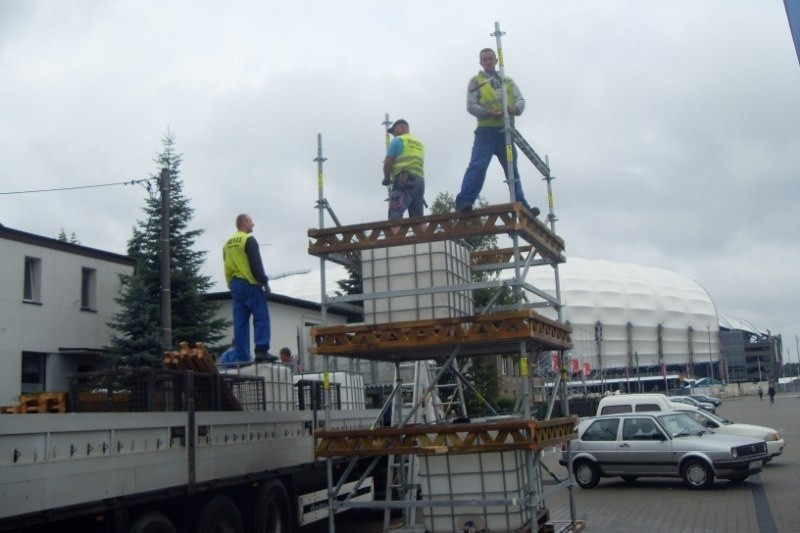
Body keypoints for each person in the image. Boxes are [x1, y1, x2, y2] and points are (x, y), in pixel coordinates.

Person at [455, 48, 540, 216]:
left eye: (490, 58)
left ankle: (521, 204)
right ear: (480, 62)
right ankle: (464, 201)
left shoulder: (507, 81)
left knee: (511, 169)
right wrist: (488, 113)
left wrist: (515, 109)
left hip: (505, 134)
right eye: (484, 59)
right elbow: (470, 106)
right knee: (478, 166)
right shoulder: (476, 81)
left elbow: (520, 99)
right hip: (486, 132)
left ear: (495, 60)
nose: (487, 61)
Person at [223, 214, 277, 362]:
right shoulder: (248, 240)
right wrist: (264, 282)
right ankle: (261, 350)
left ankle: (242, 356)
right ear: (245, 222)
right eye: (251, 221)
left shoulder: (227, 243)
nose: (253, 224)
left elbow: (225, 263)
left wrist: (231, 284)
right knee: (261, 317)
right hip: (250, 283)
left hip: (234, 285)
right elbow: (256, 264)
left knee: (240, 322)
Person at [382, 119, 425, 219]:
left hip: (404, 179)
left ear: (400, 128)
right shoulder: (419, 144)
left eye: (394, 131)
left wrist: (386, 178)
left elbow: (387, 163)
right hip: (420, 182)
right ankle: (426, 234)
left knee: (395, 214)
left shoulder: (398, 140)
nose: (393, 134)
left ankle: (395, 235)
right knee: (418, 219)